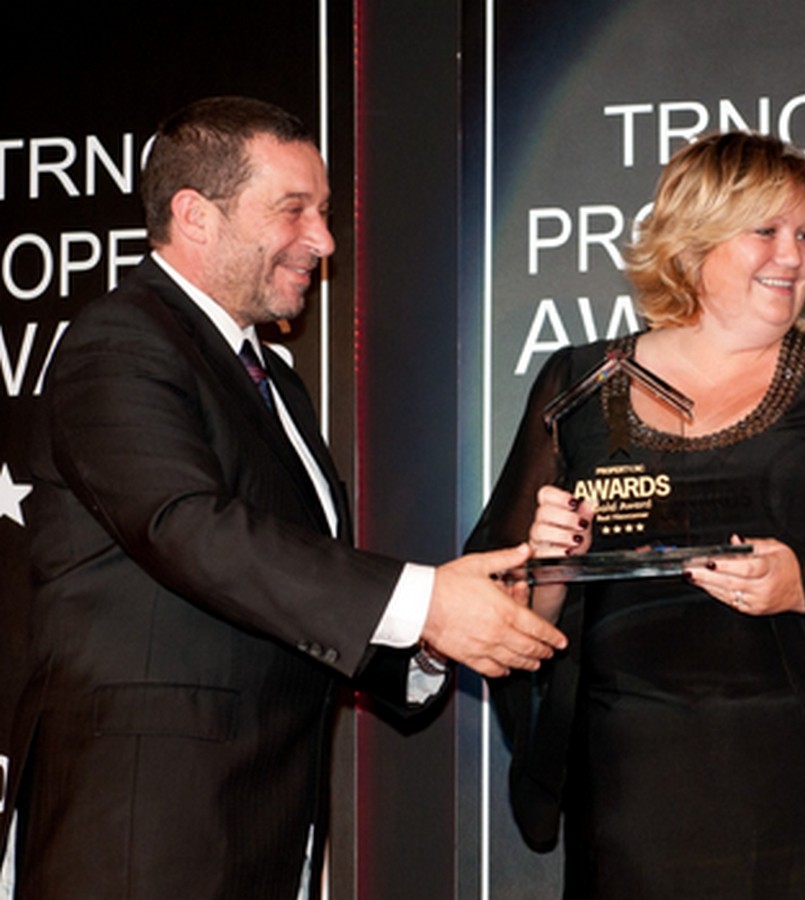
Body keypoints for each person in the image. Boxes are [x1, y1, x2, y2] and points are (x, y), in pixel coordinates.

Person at [2, 96, 564, 899]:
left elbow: (289, 594)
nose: (324, 240)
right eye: (293, 209)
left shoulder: (272, 381)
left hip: (262, 828)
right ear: (195, 217)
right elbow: (183, 526)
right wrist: (425, 602)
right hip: (145, 836)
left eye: (324, 212)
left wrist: (427, 644)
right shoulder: (120, 341)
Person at [467, 132, 805, 898]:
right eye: (766, 230)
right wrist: (548, 571)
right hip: (633, 791)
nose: (795, 257)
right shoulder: (580, 382)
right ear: (693, 242)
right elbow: (492, 607)